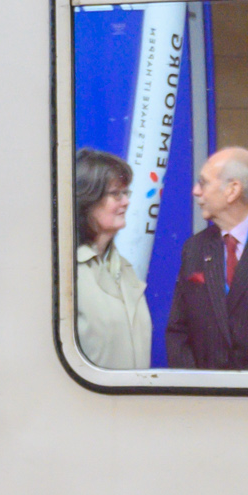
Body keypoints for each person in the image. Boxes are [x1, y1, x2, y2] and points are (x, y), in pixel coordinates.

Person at [165, 147, 248, 371]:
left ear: (232, 190)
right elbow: (178, 331)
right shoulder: (194, 249)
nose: (196, 191)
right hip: (205, 398)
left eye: (204, 183)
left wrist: (243, 389)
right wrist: (195, 387)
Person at [71, 147, 150, 369]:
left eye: (126, 193)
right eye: (116, 194)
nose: (125, 202)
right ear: (88, 199)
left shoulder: (124, 268)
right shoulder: (65, 270)